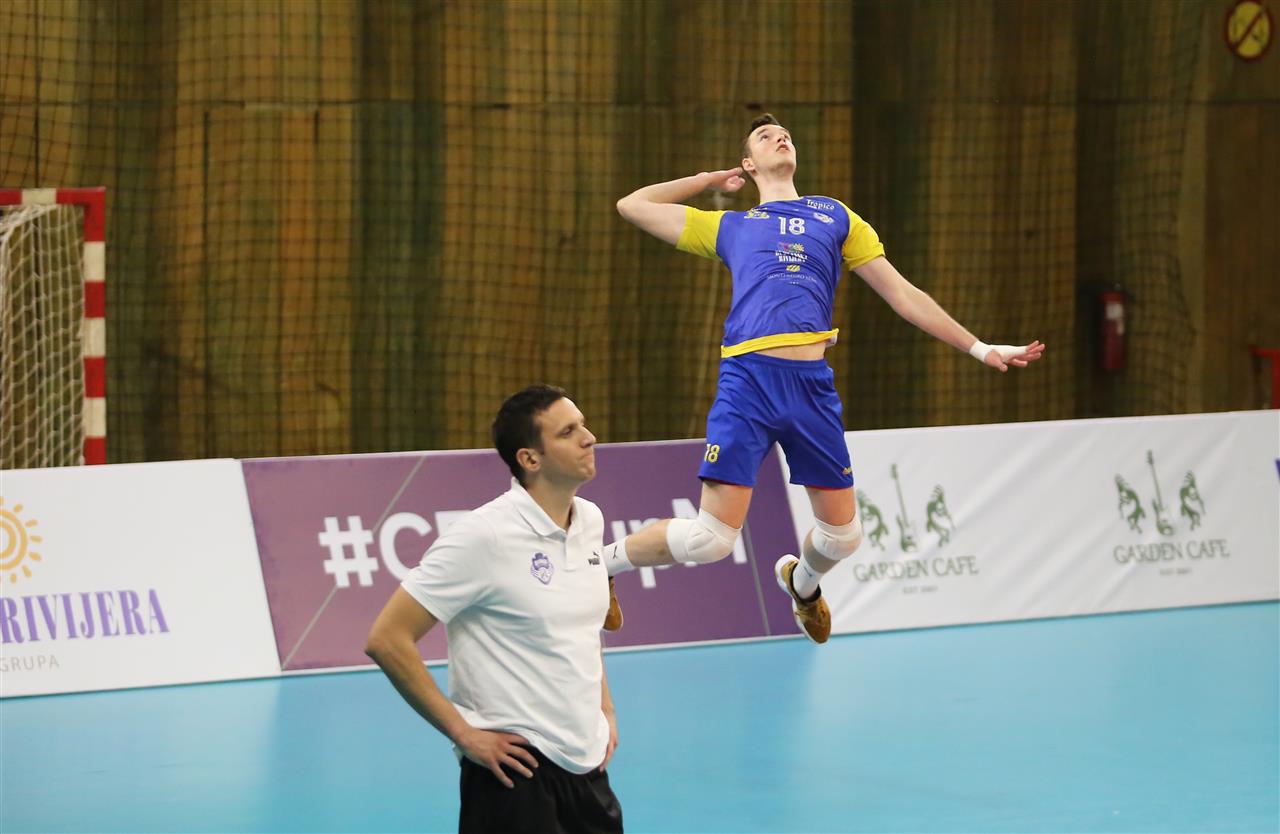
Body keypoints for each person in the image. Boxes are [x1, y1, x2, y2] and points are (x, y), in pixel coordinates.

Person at [605, 113, 1045, 643]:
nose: (779, 137)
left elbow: (902, 294)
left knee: (843, 538)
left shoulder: (834, 216)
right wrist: (707, 181)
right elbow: (632, 205)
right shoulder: (730, 227)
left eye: (784, 134)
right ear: (748, 163)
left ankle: (801, 583)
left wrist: (979, 346)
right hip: (749, 381)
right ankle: (599, 566)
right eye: (764, 137)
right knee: (711, 540)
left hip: (810, 387)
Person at [365, 384, 623, 834]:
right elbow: (387, 639)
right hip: (514, 775)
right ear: (530, 459)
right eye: (568, 432)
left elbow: (582, 627)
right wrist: (463, 734)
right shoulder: (483, 535)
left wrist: (606, 711)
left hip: (587, 768)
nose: (589, 438)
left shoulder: (590, 520)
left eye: (582, 425)